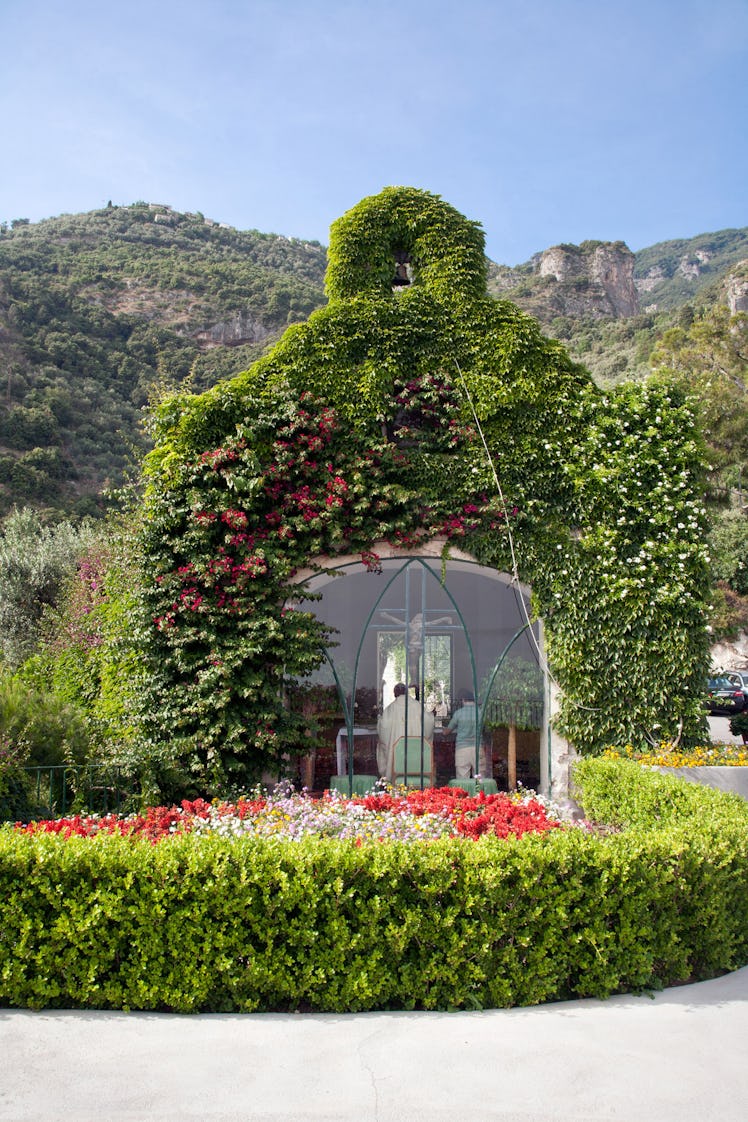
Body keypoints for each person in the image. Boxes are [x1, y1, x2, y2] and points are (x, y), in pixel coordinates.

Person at [377, 683, 435, 781]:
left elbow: (383, 727)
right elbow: (428, 722)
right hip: (415, 749)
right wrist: (432, 715)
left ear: (395, 693)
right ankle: (416, 780)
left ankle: (396, 782)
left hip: (396, 750)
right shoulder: (417, 706)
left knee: (391, 755)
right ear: (407, 692)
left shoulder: (391, 708)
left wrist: (379, 720)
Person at [447, 689, 482, 779]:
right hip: (478, 748)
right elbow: (486, 728)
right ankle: (478, 793)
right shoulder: (480, 712)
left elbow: (447, 731)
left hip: (462, 749)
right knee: (479, 778)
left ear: (463, 700)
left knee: (462, 778)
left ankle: (464, 793)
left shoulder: (458, 713)